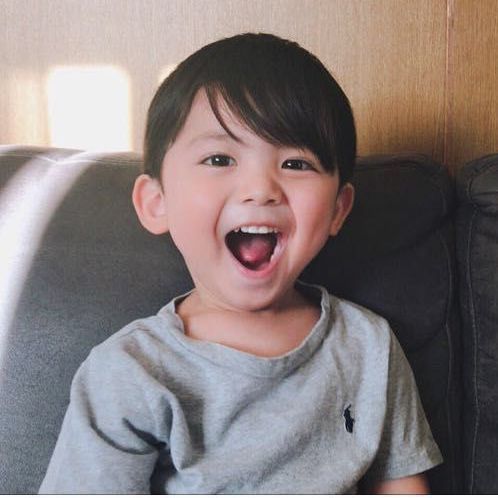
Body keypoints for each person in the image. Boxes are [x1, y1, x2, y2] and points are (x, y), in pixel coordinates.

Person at [39, 33, 442, 494]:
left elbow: (403, 486)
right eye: (219, 158)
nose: (261, 188)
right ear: (156, 202)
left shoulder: (369, 346)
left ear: (337, 210)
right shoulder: (130, 372)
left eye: (295, 163)